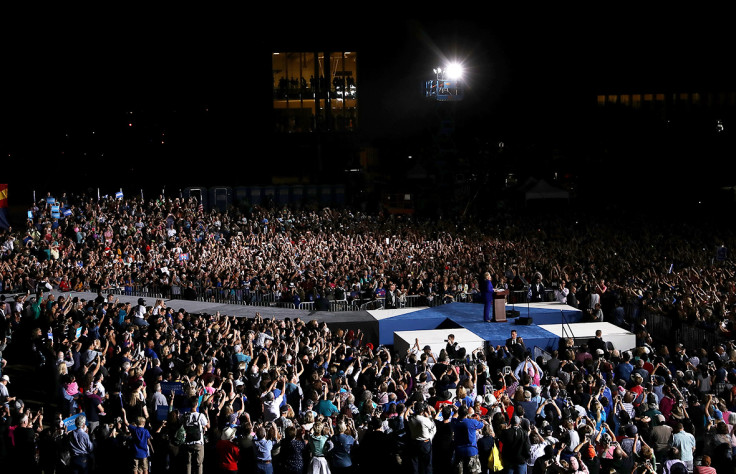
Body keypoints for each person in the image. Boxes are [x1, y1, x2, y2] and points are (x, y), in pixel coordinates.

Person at [451, 405, 485, 474]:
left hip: (459, 452)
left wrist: (456, 412)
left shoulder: (454, 422)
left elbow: (453, 418)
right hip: (471, 451)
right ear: (467, 414)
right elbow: (482, 425)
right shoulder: (472, 422)